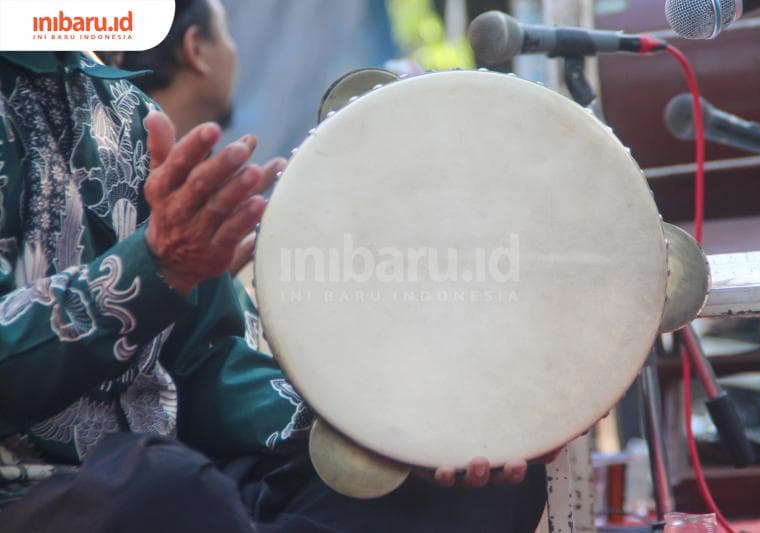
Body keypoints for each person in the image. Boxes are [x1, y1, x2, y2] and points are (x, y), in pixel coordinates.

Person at [0, 1, 548, 531]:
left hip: (183, 478)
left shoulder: (126, 108)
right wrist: (152, 267)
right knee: (165, 490)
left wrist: (379, 432)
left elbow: (207, 359)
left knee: (456, 472)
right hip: (43, 495)